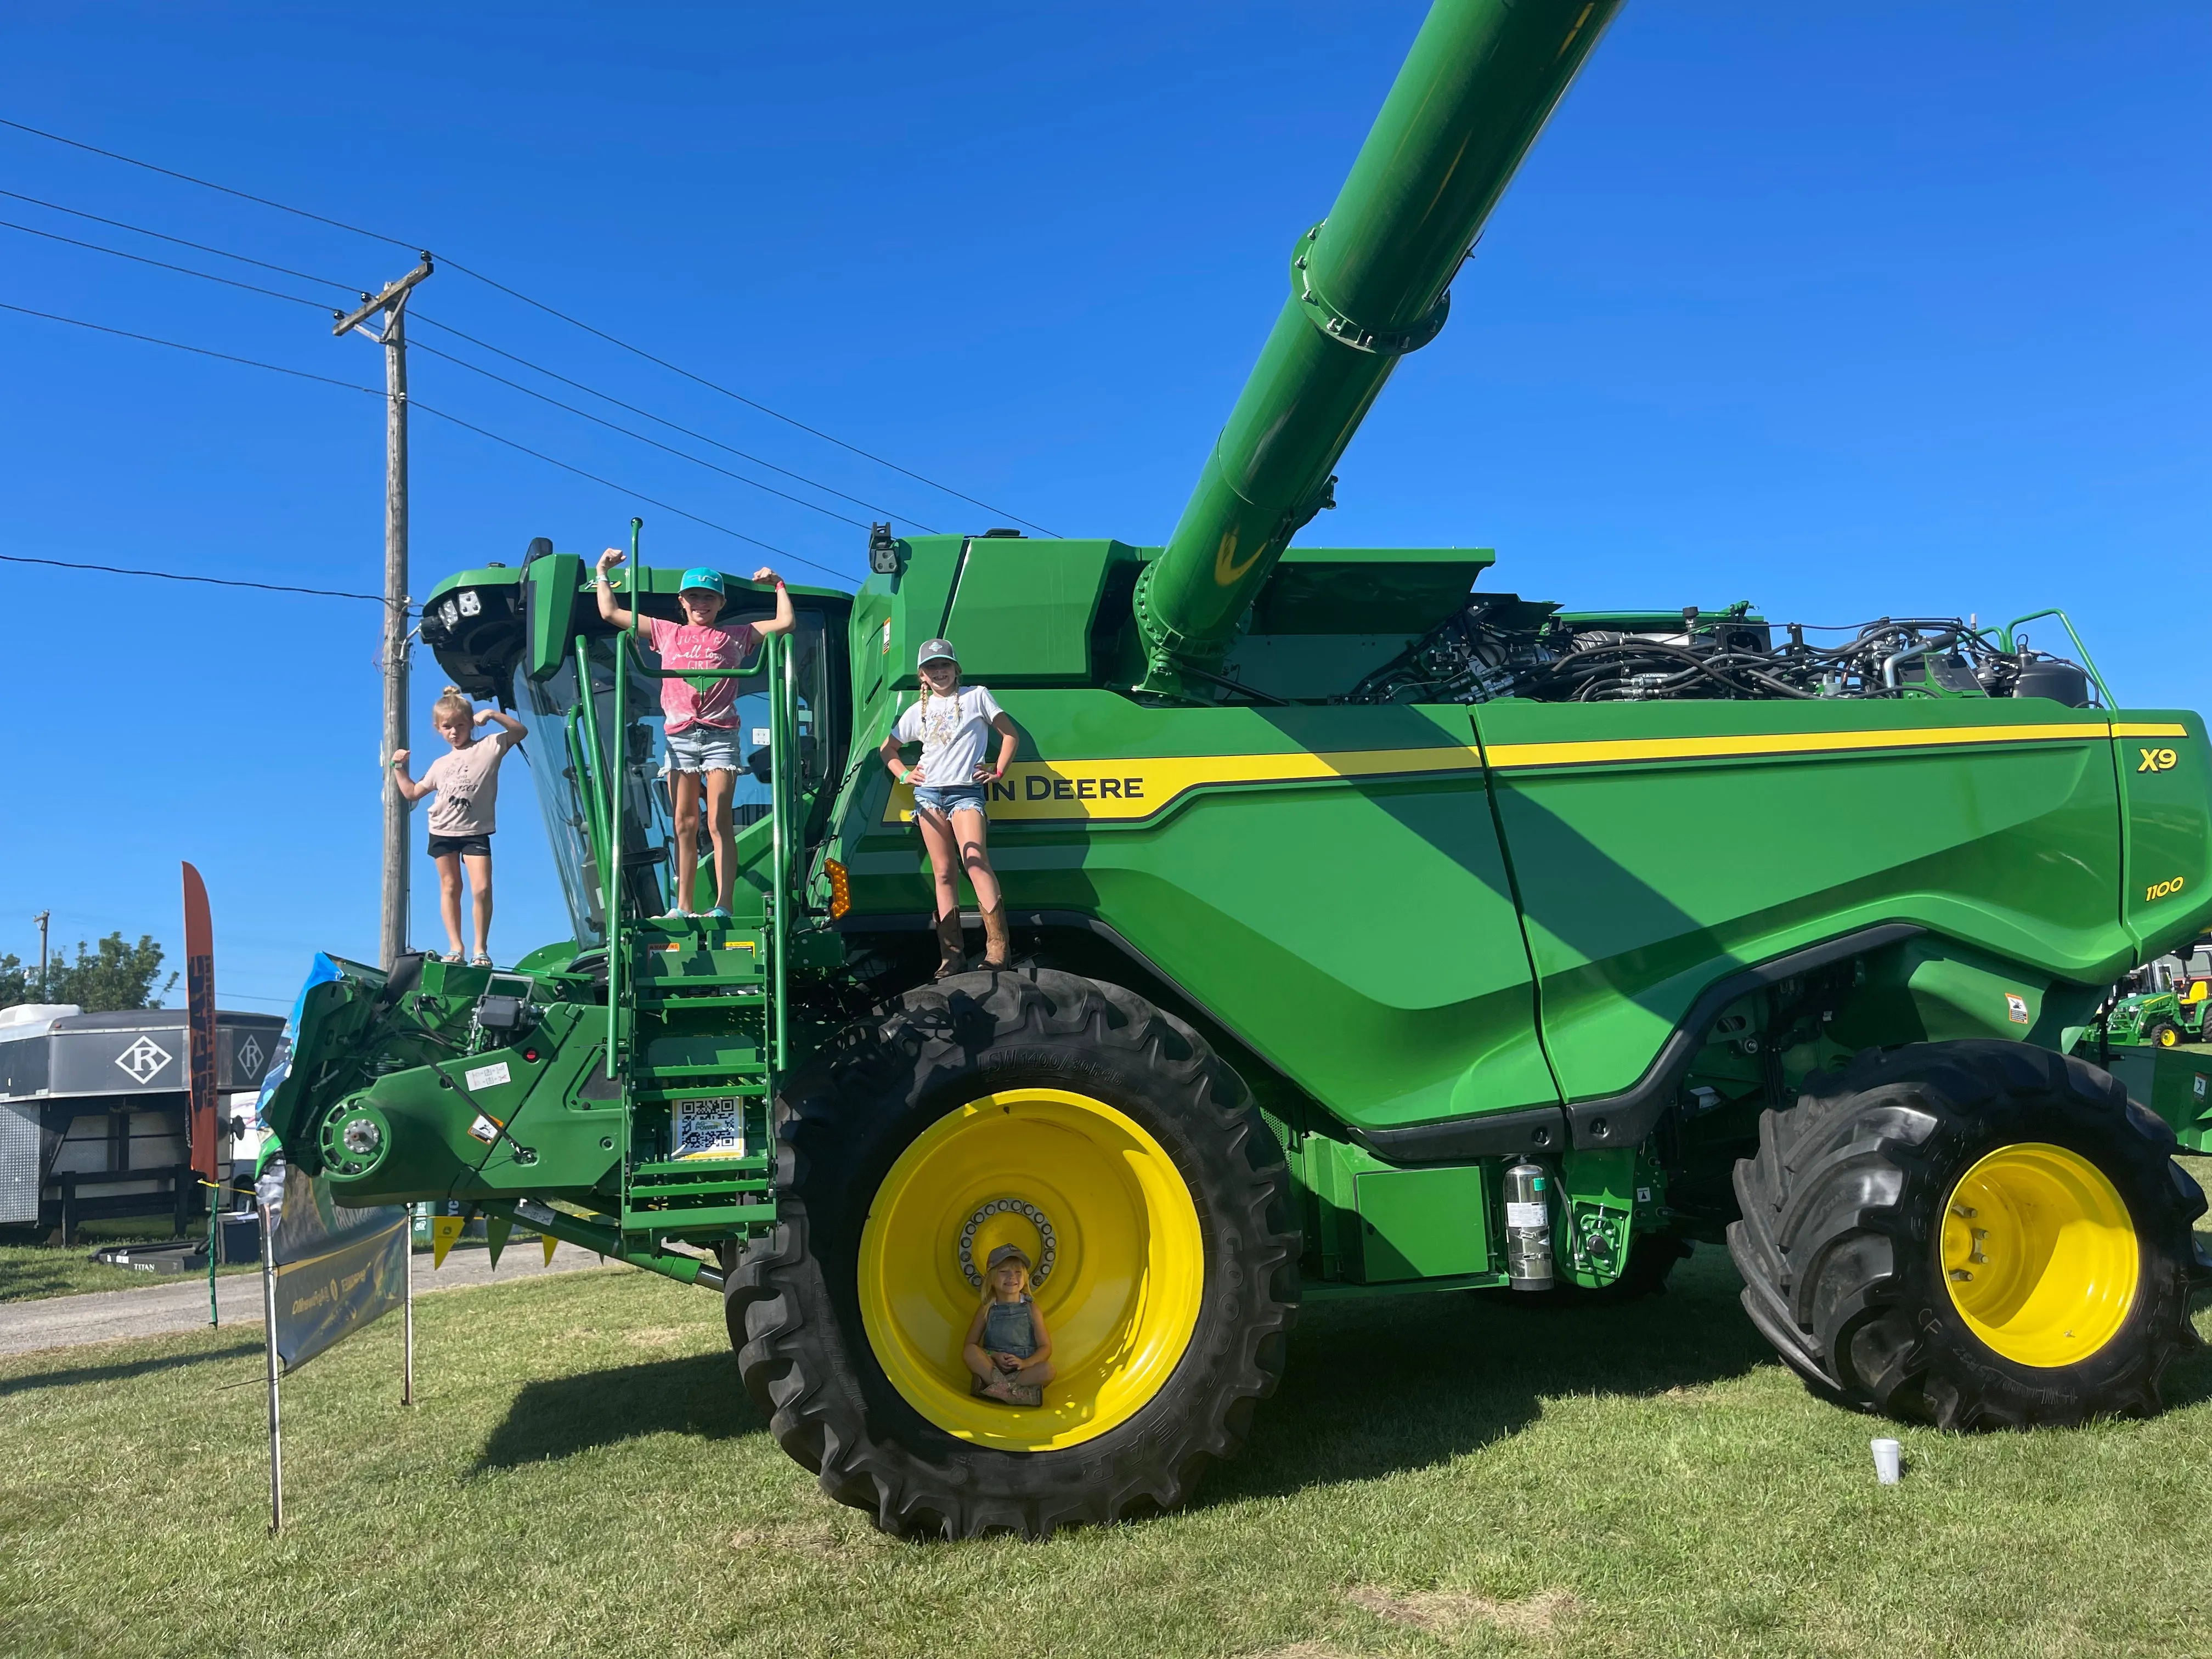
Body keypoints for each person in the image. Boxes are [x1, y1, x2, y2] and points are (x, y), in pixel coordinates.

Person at [595, 550, 794, 919]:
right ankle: (683, 906)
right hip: (681, 736)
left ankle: (723, 905)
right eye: (694, 596)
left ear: (721, 603)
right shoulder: (665, 632)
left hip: (720, 735)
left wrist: (778, 584)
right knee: (684, 823)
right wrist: (603, 571)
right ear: (682, 602)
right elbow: (611, 614)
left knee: (719, 820)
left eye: (709, 597)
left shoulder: (735, 636)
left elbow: (785, 623)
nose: (701, 603)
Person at [878, 639, 1020, 975]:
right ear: (922, 676)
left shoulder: (977, 696)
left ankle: (998, 949)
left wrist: (998, 771)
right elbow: (888, 749)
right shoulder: (917, 712)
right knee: (943, 872)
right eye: (931, 668)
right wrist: (904, 774)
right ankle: (952, 956)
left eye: (944, 665)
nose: (939, 672)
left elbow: (1010, 735)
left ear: (957, 669)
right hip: (928, 795)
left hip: (967, 792)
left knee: (975, 859)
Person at [391, 688, 527, 966]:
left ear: (470, 723)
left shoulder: (489, 746)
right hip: (442, 830)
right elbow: (413, 792)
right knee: (451, 886)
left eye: (460, 725)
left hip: (475, 830)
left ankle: (480, 949)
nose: (454, 732)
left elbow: (520, 732)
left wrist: (491, 714)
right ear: (439, 729)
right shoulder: (440, 764)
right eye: (447, 727)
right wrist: (397, 766)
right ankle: (455, 948)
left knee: (482, 889)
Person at [963, 1242, 1053, 1406]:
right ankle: (1014, 1393)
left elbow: (1046, 1347)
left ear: (1025, 1278)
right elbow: (970, 1344)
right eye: (1004, 1272)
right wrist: (994, 1355)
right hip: (993, 1368)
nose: (1012, 1277)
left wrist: (1025, 1363)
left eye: (1018, 1272)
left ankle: (996, 1391)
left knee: (1048, 1370)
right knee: (970, 1352)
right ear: (991, 1278)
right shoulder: (987, 1309)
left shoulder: (1032, 1309)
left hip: (1022, 1372)